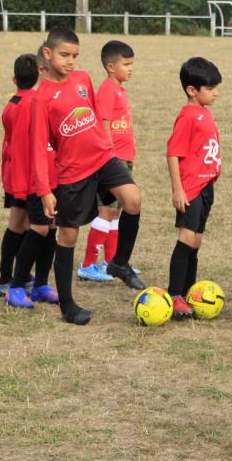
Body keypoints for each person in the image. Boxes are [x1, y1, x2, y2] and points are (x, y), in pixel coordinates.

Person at [32, 27, 145, 325]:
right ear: (48, 54)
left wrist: (107, 144)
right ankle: (68, 306)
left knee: (133, 200)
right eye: (64, 55)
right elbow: (38, 148)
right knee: (68, 236)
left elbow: (94, 115)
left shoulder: (83, 79)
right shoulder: (40, 98)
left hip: (104, 158)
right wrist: (44, 191)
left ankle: (119, 262)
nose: (70, 61)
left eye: (75, 55)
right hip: (73, 172)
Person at [165, 57, 223, 317]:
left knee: (196, 240)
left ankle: (189, 292)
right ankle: (174, 294)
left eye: (216, 87)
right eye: (210, 88)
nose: (215, 93)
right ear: (191, 90)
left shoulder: (204, 112)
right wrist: (178, 190)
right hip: (190, 188)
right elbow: (173, 153)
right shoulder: (187, 116)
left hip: (206, 185)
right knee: (187, 238)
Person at [5, 51, 60, 308]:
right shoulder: (27, 104)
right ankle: (15, 285)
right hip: (37, 180)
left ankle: (40, 284)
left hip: (54, 176)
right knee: (37, 228)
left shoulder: (46, 99)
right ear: (41, 70)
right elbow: (21, 148)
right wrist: (25, 184)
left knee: (51, 227)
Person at [79, 40, 137, 283]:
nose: (131, 68)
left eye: (132, 64)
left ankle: (113, 262)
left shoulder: (119, 89)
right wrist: (110, 155)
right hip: (113, 160)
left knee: (116, 212)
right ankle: (88, 264)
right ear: (111, 67)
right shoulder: (107, 90)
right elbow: (103, 123)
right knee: (106, 210)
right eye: (126, 64)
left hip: (124, 158)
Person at [0, 54, 36, 298]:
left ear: (14, 79)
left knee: (23, 224)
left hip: (15, 173)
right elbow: (22, 145)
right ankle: (7, 278)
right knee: (20, 224)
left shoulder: (13, 103)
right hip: (24, 175)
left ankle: (19, 274)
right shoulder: (29, 104)